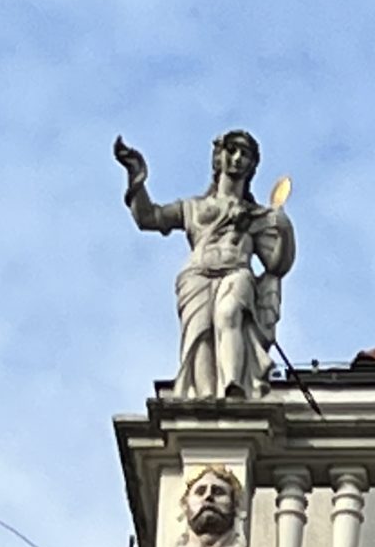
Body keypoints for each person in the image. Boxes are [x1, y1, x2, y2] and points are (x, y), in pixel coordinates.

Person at [113, 129, 295, 399]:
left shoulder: (256, 215)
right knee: (200, 334)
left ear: (252, 166)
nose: (237, 158)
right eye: (231, 150)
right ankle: (206, 397)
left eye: (245, 154)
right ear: (218, 157)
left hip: (236, 270)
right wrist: (136, 178)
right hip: (196, 275)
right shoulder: (193, 207)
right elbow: (149, 218)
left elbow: (276, 265)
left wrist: (285, 231)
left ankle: (234, 386)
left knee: (229, 313)